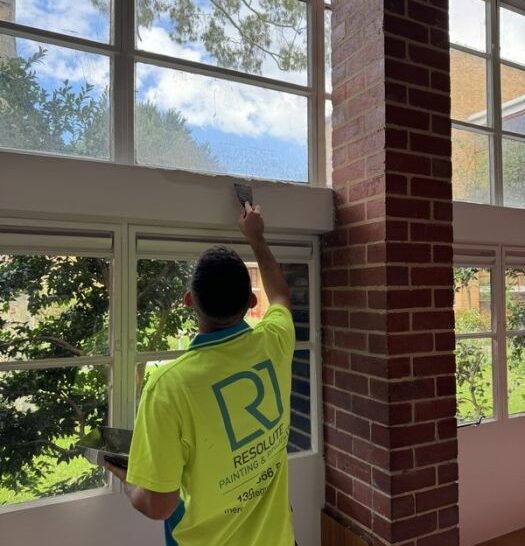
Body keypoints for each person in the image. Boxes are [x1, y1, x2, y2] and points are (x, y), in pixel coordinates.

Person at [106, 201, 297, 546]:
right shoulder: (275, 344)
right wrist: (256, 238)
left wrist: (129, 480)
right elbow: (281, 294)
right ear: (252, 303)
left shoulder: (168, 388)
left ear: (189, 301)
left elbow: (160, 505)